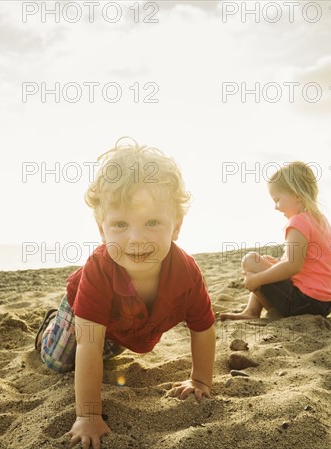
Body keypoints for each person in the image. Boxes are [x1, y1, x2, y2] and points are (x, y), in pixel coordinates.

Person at [34, 138, 216, 449]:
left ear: (176, 227)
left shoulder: (186, 272)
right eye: (120, 224)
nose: (135, 238)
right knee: (57, 362)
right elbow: (88, 345)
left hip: (124, 325)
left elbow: (203, 327)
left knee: (115, 347)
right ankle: (54, 321)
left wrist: (200, 380)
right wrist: (88, 415)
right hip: (86, 312)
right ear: (101, 230)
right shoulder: (99, 268)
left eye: (152, 222)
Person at [220, 161, 331, 321]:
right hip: (324, 304)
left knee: (251, 261)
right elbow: (307, 265)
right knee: (264, 264)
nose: (276, 207)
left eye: (277, 199)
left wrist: (257, 279)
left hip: (304, 302)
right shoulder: (320, 220)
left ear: (296, 195)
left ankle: (252, 311)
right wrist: (277, 266)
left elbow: (293, 265)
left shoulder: (298, 221)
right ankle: (252, 311)